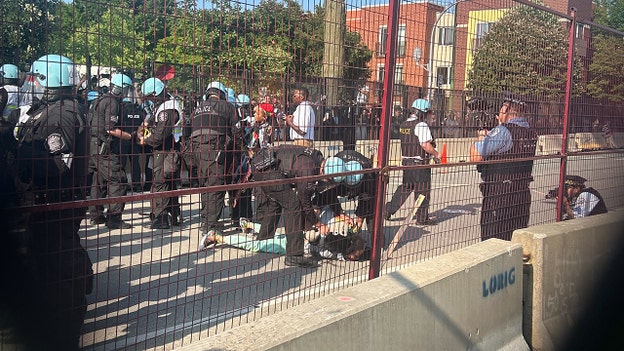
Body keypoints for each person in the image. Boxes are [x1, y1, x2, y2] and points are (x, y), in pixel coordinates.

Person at [12, 54, 94, 350]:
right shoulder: (51, 109)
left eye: (34, 78)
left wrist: (15, 155)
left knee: (57, 267)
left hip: (55, 203)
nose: (29, 83)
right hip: (48, 203)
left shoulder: (61, 114)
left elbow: (57, 164)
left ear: (48, 80)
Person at [233, 145, 342, 267]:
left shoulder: (316, 158)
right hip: (266, 168)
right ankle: (294, 255)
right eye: (328, 180)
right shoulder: (309, 170)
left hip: (265, 164)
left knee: (278, 201)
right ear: (324, 171)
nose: (326, 182)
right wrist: (318, 224)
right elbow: (304, 202)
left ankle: (263, 240)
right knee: (293, 204)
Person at [470, 92, 538, 241]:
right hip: (521, 195)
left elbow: (476, 156)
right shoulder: (531, 132)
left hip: (499, 196)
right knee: (515, 241)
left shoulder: (503, 132)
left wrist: (482, 136)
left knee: (492, 242)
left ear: (506, 108)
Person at [190, 81, 241, 236]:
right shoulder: (228, 107)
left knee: (205, 185)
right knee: (215, 186)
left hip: (196, 151)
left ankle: (205, 221)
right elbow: (237, 132)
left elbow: (187, 129)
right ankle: (210, 226)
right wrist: (239, 152)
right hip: (215, 149)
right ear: (222, 93)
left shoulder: (197, 109)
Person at [88, 73, 135, 229]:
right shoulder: (112, 102)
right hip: (105, 148)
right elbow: (110, 129)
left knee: (98, 179)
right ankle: (114, 219)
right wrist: (130, 137)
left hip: (94, 146)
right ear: (120, 89)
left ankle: (96, 215)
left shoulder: (98, 100)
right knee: (118, 180)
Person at [385, 98, 440, 225]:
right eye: (428, 113)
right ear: (423, 112)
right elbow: (425, 145)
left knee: (405, 188)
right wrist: (436, 154)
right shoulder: (421, 125)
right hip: (419, 164)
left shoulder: (404, 124)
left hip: (407, 162)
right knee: (423, 190)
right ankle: (422, 218)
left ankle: (388, 210)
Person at [137, 77, 182, 229]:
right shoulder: (162, 106)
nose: (148, 100)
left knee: (160, 183)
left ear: (155, 93)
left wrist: (144, 140)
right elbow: (149, 124)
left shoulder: (167, 108)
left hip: (166, 150)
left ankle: (161, 219)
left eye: (149, 96)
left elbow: (160, 134)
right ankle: (173, 215)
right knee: (168, 183)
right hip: (165, 150)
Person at [119, 83, 148, 192]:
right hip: (135, 137)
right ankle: (137, 184)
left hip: (123, 137)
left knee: (122, 161)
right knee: (135, 162)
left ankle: (122, 184)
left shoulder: (121, 109)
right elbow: (145, 119)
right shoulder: (138, 109)